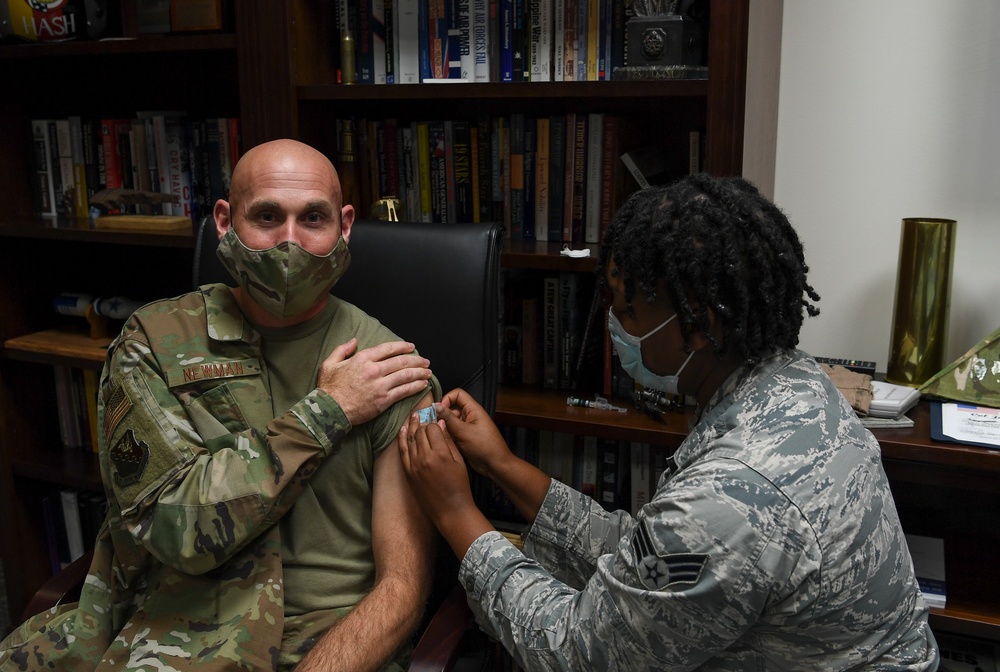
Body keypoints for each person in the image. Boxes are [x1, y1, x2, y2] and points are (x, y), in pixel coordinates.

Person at [398, 174, 940, 671]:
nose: (614, 324)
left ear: (700, 327)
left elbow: (576, 652)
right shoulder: (793, 382)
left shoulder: (733, 498)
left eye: (629, 311)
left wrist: (454, 511)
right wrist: (502, 465)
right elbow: (647, 559)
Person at [0, 139, 440, 672]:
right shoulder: (153, 344)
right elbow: (175, 530)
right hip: (182, 626)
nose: (289, 243)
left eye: (313, 218)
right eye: (268, 216)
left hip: (327, 643)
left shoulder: (392, 371)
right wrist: (329, 410)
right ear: (227, 222)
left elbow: (402, 589)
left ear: (344, 227)